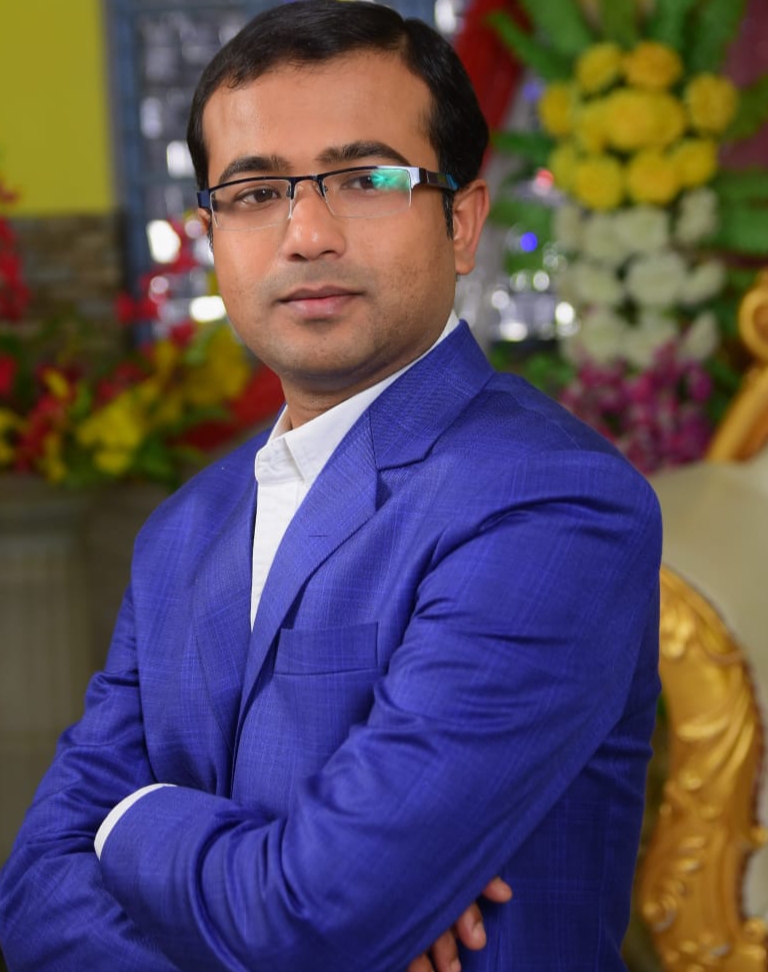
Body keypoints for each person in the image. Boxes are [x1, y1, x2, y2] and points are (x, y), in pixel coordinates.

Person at [0, 2, 662, 970]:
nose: (306, 233)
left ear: (461, 221)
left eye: (365, 179)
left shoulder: (550, 505)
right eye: (256, 192)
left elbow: (316, 916)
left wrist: (126, 819)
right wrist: (283, 890)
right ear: (212, 234)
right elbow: (33, 901)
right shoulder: (187, 526)